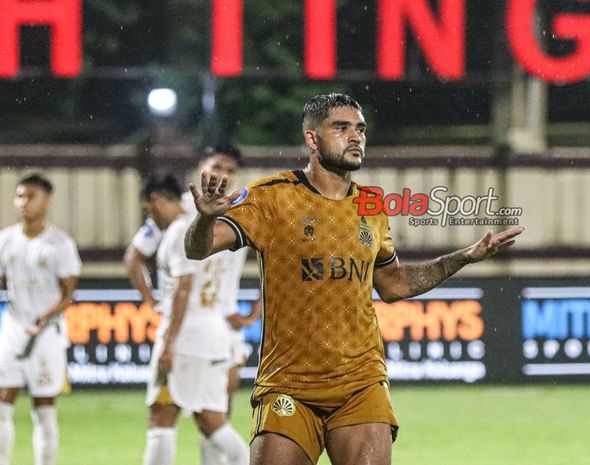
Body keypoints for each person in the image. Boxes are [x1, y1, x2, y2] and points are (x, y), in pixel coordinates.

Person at [183, 93, 526, 465]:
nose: (356, 136)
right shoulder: (272, 197)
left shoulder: (371, 206)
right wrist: (203, 218)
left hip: (360, 382)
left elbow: (394, 284)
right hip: (288, 385)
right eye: (341, 128)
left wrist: (464, 257)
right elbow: (198, 248)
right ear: (312, 139)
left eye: (360, 129)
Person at [123, 145, 260, 462]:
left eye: (230, 169)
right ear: (201, 167)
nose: (223, 175)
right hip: (216, 330)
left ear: (156, 201)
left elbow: (184, 288)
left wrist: (168, 340)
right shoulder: (233, 212)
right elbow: (134, 257)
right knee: (212, 419)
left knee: (162, 416)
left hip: (189, 333)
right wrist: (151, 300)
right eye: (217, 167)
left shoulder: (181, 227)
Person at [0, 173, 82, 465]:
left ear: (47, 201)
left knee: (44, 406)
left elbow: (67, 294)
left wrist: (43, 317)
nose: (24, 202)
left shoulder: (60, 243)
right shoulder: (6, 240)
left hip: (47, 333)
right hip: (12, 329)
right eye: (20, 196)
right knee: (2, 401)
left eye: (31, 196)